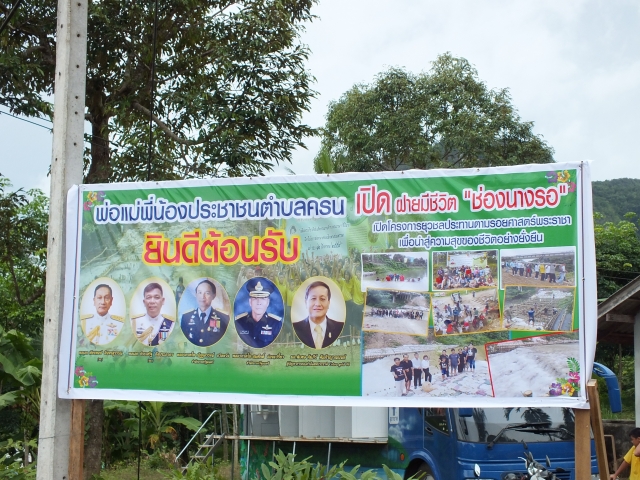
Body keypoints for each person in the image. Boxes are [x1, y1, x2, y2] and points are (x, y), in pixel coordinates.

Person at [293, 280, 343, 349]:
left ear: (328, 303)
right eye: (313, 298)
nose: (318, 304)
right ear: (305, 302)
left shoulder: (339, 328)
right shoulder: (295, 328)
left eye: (322, 299)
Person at [235, 278, 283, 348]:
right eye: (255, 298)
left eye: (263, 298)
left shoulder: (276, 324)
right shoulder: (239, 322)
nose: (259, 303)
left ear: (268, 302)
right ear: (250, 302)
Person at [181, 279, 229, 347]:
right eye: (200, 293)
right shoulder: (186, 317)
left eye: (207, 293)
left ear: (213, 295)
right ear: (196, 295)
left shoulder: (223, 318)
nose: (202, 297)